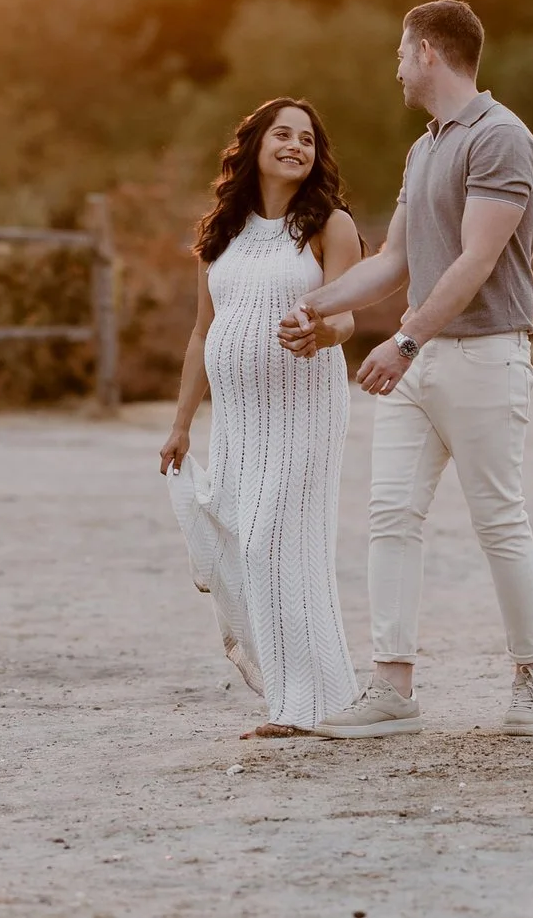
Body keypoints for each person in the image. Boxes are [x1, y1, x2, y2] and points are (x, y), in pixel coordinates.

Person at [280, 0, 533, 738]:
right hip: (421, 359)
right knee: (391, 516)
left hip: (485, 355)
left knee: (498, 518)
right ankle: (392, 687)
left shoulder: (501, 137)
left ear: (429, 51)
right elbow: (394, 259)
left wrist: (402, 343)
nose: (397, 68)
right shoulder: (423, 147)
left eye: (401, 53)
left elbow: (476, 260)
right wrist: (314, 304)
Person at [159, 98, 365, 737]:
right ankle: (308, 699)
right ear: (254, 145)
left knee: (271, 543)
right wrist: (182, 424)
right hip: (239, 423)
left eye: (307, 139)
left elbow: (347, 317)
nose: (296, 146)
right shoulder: (221, 232)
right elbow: (203, 332)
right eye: (283, 134)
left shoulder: (329, 226)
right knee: (254, 551)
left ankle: (303, 708)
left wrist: (321, 332)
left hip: (305, 409)